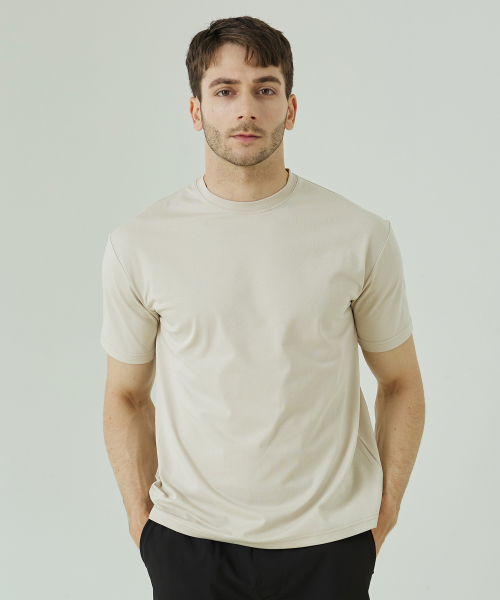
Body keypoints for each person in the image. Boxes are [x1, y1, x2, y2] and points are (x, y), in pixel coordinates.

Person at [101, 15, 425, 600]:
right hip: (189, 545)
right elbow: (125, 395)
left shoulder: (360, 236)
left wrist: (384, 515)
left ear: (290, 109)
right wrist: (142, 525)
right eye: (225, 91)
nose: (246, 109)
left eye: (265, 89)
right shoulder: (139, 245)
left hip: (329, 544)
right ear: (196, 110)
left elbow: (401, 382)